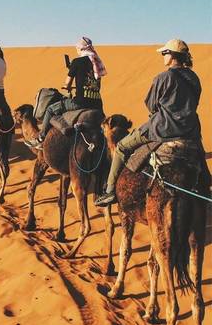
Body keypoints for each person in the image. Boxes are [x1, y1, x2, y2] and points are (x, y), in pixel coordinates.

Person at [95, 39, 201, 207]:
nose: (162, 56)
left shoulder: (164, 77)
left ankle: (109, 191)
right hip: (191, 131)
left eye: (164, 53)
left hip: (163, 129)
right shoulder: (194, 78)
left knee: (122, 147)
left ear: (172, 56)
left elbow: (151, 104)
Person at [28, 37, 106, 147]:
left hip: (81, 102)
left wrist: (67, 86)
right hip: (97, 104)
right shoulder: (97, 62)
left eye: (77, 49)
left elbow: (67, 83)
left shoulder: (77, 62)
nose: (77, 51)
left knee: (51, 109)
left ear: (81, 49)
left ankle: (41, 137)